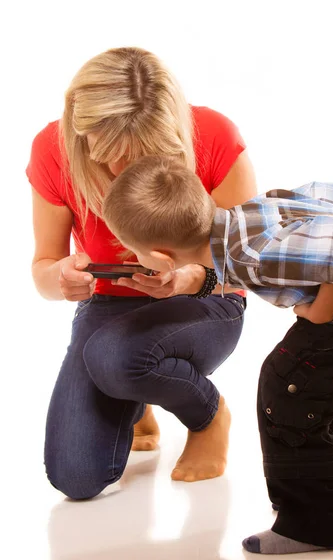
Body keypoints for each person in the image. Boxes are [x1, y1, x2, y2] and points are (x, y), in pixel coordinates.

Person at [102, 156, 333, 554]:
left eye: (133, 251)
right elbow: (326, 193)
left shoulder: (254, 253)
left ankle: (312, 525)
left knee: (288, 389)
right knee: (304, 383)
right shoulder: (236, 222)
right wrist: (188, 283)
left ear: (161, 256)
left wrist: (321, 312)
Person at [27, 47, 257, 499]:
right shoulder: (52, 150)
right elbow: (42, 269)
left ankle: (208, 415)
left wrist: (189, 278)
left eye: (145, 152)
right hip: (109, 307)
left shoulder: (213, 134)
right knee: (75, 479)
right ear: (84, 135)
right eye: (114, 155)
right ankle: (136, 399)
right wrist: (62, 278)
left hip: (205, 298)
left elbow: (245, 265)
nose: (128, 170)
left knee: (116, 358)